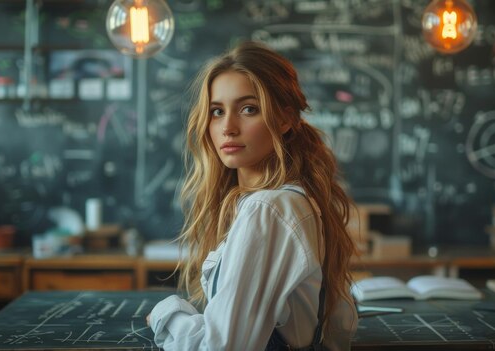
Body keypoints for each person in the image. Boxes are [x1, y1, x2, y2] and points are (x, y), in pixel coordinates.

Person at [147, 40, 358, 350]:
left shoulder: (269, 209)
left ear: (285, 119)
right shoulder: (290, 200)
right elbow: (340, 328)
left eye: (248, 109)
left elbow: (221, 348)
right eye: (217, 111)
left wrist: (168, 313)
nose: (228, 127)